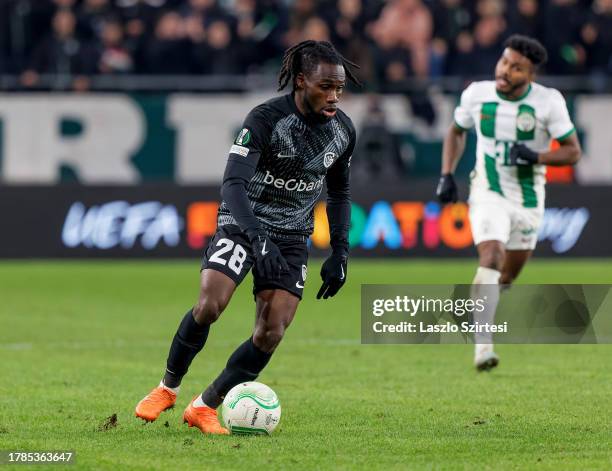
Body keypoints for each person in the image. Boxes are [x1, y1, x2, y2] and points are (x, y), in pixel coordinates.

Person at [135, 40, 358, 434]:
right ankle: (167, 388)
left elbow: (339, 193)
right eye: (326, 87)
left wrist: (340, 250)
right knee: (210, 303)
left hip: (291, 236)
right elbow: (233, 184)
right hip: (244, 223)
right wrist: (256, 236)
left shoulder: (342, 132)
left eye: (339, 88)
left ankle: (204, 406)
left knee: (272, 332)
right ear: (301, 81)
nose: (334, 97)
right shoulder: (266, 119)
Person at [436, 34, 581, 371]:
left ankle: (475, 306)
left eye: (517, 68)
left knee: (506, 278)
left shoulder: (549, 102)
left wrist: (536, 155)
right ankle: (483, 348)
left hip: (529, 200)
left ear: (530, 76)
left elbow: (573, 151)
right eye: (504, 62)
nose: (506, 71)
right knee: (492, 254)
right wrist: (446, 174)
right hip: (488, 192)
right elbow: (456, 131)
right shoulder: (477, 95)